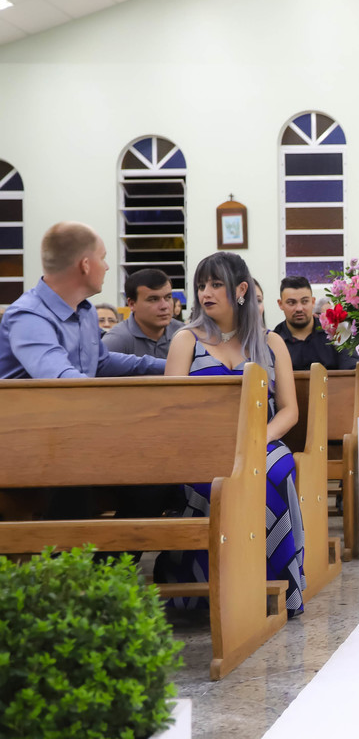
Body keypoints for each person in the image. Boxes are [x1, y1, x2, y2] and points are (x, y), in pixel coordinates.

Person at [154, 251, 306, 617]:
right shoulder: (186, 340)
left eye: (216, 284)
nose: (206, 293)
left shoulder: (271, 342)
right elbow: (171, 409)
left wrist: (258, 439)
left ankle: (276, 585)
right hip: (200, 446)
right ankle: (211, 587)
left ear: (240, 290)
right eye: (201, 285)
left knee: (276, 469)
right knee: (219, 479)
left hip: (261, 439)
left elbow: (289, 409)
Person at [0, 222, 164, 379]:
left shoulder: (86, 311)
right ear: (85, 265)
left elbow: (101, 363)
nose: (106, 267)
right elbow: (60, 380)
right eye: (102, 258)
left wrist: (169, 366)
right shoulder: (29, 316)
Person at [274, 275, 358, 371]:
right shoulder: (273, 341)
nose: (299, 308)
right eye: (291, 303)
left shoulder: (335, 334)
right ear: (280, 304)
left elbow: (353, 372)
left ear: (313, 302)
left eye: (304, 301)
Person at [101, 268, 181, 359]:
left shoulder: (184, 333)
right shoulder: (116, 341)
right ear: (132, 304)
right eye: (153, 299)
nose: (164, 306)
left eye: (168, 297)